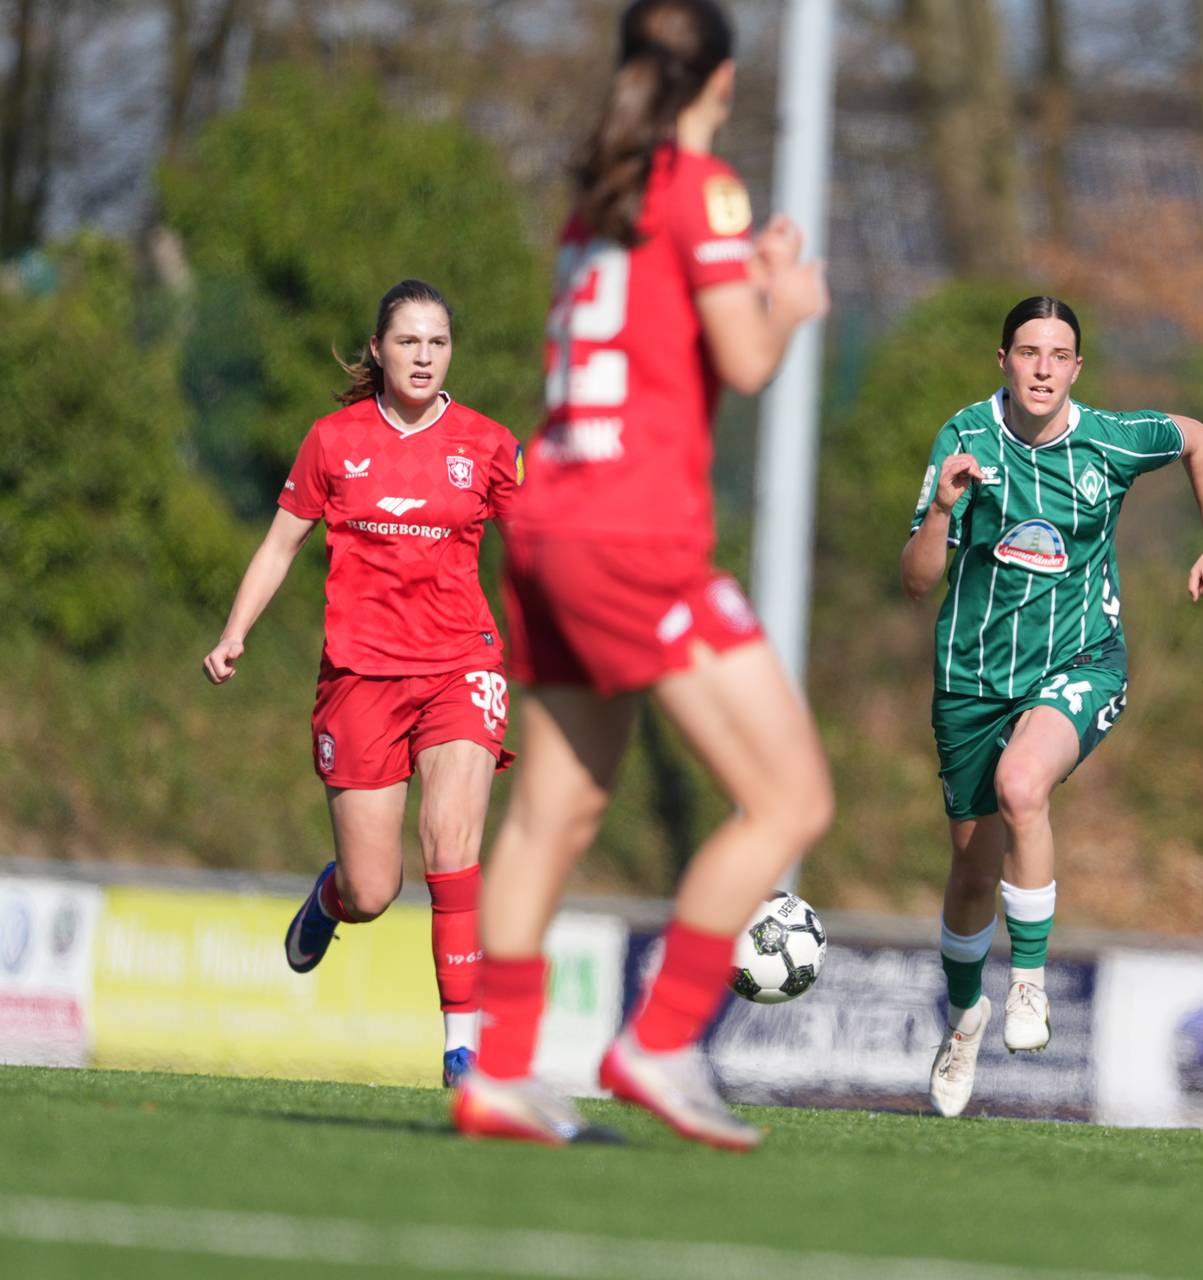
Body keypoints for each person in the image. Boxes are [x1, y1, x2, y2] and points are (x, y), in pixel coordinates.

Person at [449, 0, 832, 1150]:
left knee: (553, 813)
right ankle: (663, 1036)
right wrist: (791, 299)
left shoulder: (598, 193)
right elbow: (747, 360)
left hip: (549, 518)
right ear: (720, 80)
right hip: (635, 534)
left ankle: (499, 1072)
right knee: (789, 798)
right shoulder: (698, 182)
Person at [900, 296, 1203, 1118]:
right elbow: (916, 584)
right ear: (1004, 361)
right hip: (972, 678)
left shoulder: (1111, 440)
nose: (1043, 368)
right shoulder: (964, 443)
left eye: (1058, 354)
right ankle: (965, 1018)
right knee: (972, 870)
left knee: (1025, 786)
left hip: (1083, 660)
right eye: (1028, 352)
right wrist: (944, 509)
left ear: (1077, 368)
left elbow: (1194, 434)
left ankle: (1026, 986)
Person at [202, 279, 522, 1088]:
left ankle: (463, 1056)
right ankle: (330, 900)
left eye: (438, 342)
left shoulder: (487, 444)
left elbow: (542, 550)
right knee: (375, 889)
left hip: (462, 664)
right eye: (408, 341)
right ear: (377, 350)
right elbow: (279, 547)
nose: (423, 356)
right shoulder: (332, 441)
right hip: (360, 677)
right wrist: (235, 632)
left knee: (453, 847)